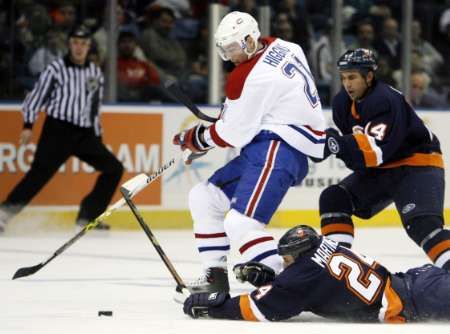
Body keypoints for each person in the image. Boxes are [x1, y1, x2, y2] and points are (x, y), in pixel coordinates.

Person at [172, 11, 326, 294]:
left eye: (233, 47)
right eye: (224, 49)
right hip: (268, 145)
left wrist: (198, 138)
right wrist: (226, 120)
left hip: (280, 147)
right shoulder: (285, 46)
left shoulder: (249, 77)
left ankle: (286, 287)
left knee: (241, 222)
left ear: (250, 39)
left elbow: (233, 133)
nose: (229, 55)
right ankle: (214, 277)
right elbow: (252, 112)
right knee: (204, 197)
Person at [317, 48, 450, 270]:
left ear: (369, 77)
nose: (347, 84)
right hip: (382, 169)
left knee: (423, 226)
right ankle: (336, 273)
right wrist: (336, 145)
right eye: (343, 78)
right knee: (334, 198)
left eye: (352, 77)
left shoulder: (384, 100)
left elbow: (376, 152)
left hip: (417, 166)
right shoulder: (342, 103)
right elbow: (361, 159)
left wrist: (336, 144)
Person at [183, 225, 450, 322]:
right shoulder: (321, 246)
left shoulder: (298, 278)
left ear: (298, 256)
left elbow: (262, 309)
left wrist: (216, 307)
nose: (284, 266)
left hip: (419, 298)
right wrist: (272, 280)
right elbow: (315, 283)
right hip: (418, 280)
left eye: (287, 260)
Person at [0, 26, 124, 233]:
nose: (79, 47)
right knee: (38, 175)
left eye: (83, 43)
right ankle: (4, 214)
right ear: (69, 44)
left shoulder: (95, 73)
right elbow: (35, 98)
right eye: (75, 42)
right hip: (57, 130)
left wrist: (97, 136)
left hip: (84, 133)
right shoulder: (56, 69)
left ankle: (88, 216)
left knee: (114, 169)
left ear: (89, 47)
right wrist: (28, 125)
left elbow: (94, 108)